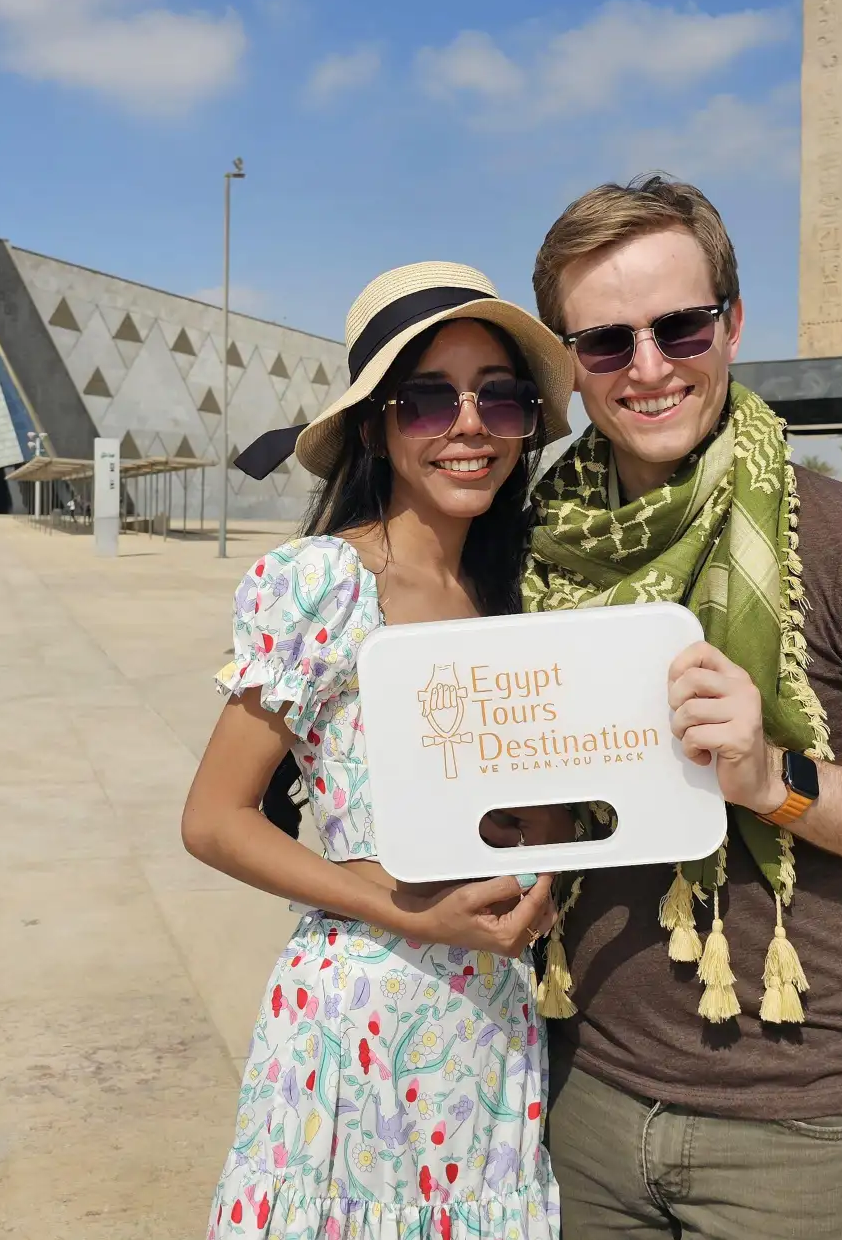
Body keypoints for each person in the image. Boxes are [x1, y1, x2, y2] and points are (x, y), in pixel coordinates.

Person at [522, 178, 842, 1240]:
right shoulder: (532, 548)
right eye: (604, 342)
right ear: (570, 362)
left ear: (731, 325)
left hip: (789, 1139)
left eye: (679, 327)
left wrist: (772, 780)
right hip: (574, 1105)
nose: (647, 368)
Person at [182, 261, 578, 1240]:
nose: (467, 425)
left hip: (489, 1025)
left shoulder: (513, 593)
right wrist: (403, 905)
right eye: (427, 399)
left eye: (498, 396)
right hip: (356, 1031)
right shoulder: (321, 583)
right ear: (375, 426)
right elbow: (212, 820)